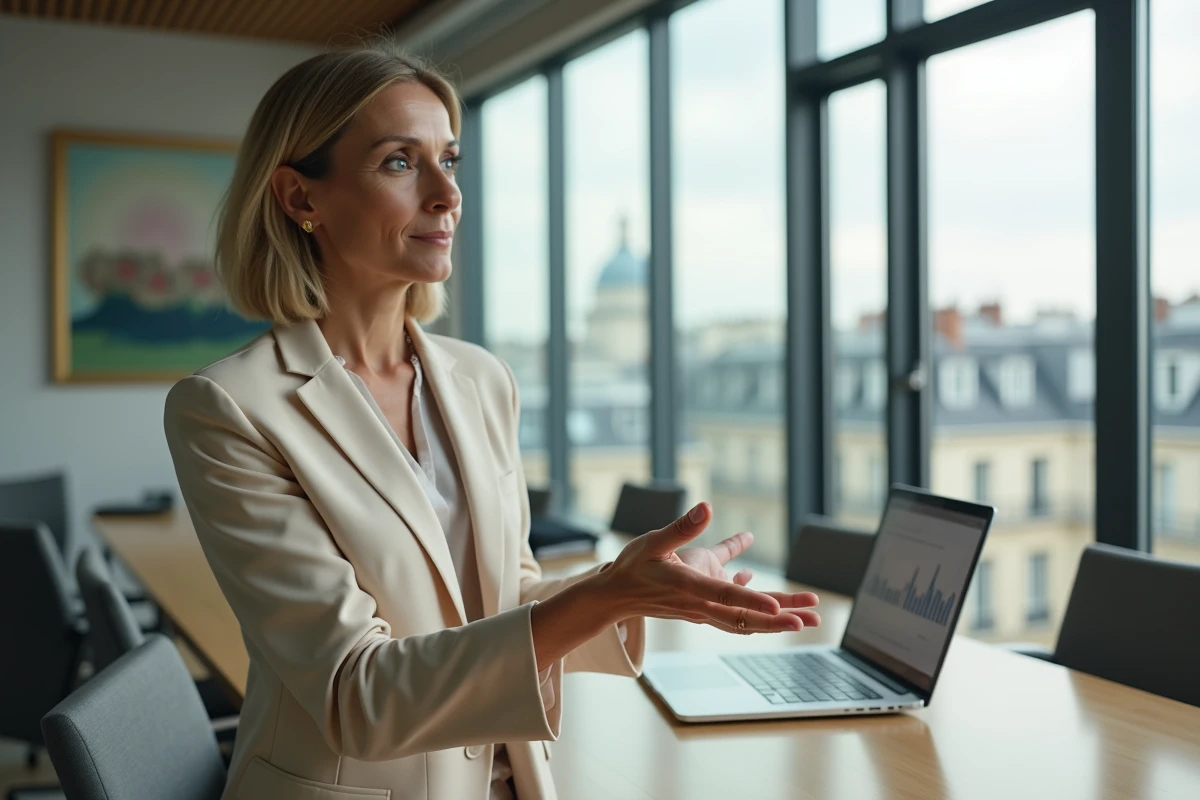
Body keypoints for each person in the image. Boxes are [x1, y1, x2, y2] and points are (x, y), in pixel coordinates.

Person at [164, 42, 820, 800]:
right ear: (299, 198)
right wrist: (609, 595)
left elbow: (503, 603)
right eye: (400, 163)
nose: (447, 193)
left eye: (451, 159)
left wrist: (634, 585)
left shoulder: (481, 379)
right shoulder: (230, 409)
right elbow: (356, 696)